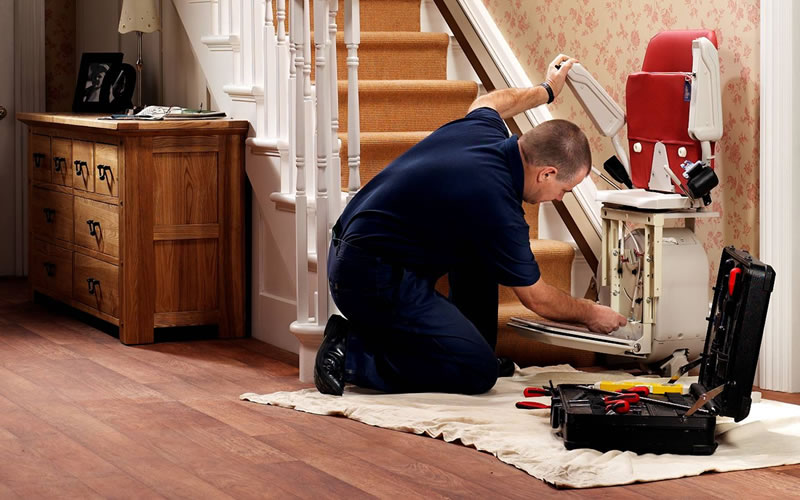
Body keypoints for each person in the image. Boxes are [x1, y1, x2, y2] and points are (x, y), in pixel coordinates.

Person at [314, 54, 627, 397]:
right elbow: (538, 299)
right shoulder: (497, 205)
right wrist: (591, 313)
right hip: (366, 277)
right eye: (563, 190)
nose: (560, 198)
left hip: (361, 252)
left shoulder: (484, 130)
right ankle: (352, 353)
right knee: (476, 372)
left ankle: (467, 347)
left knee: (482, 255)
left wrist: (547, 90)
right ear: (546, 173)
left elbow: (490, 101)